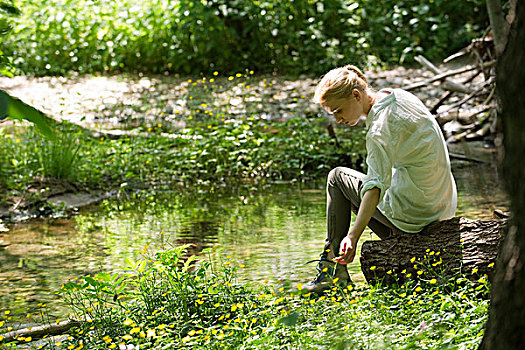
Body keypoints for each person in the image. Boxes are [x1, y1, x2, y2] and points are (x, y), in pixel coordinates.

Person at [303, 65, 457, 293]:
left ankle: (331, 272)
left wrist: (353, 237)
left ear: (356, 95)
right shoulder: (399, 96)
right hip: (442, 207)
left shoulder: (378, 130)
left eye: (339, 110)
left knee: (337, 178)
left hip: (418, 216)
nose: (338, 119)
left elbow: (374, 188)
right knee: (377, 178)